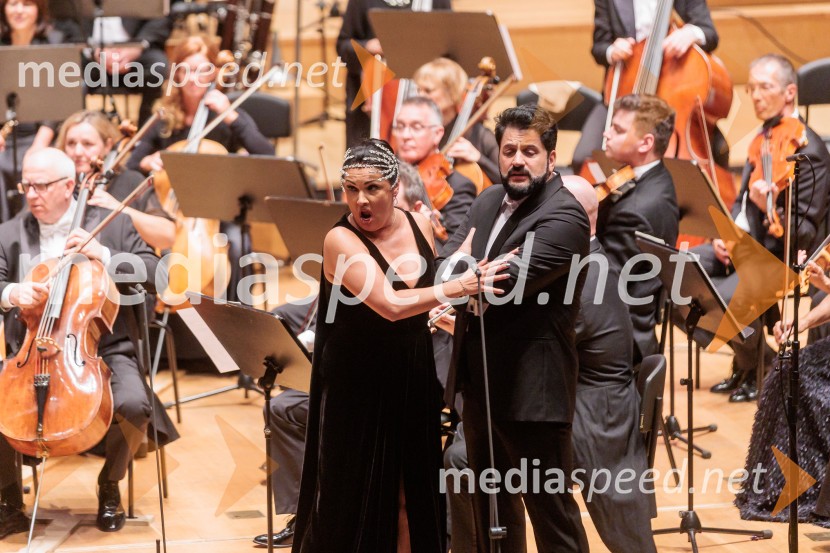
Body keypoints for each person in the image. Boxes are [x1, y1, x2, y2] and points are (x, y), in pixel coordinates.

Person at [291, 139, 507, 553]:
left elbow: (419, 295)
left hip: (411, 373)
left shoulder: (419, 224)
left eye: (372, 188)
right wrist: (456, 286)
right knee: (352, 496)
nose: (360, 200)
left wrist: (458, 262)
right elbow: (390, 305)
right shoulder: (340, 240)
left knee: (410, 493)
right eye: (350, 189)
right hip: (357, 383)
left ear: (394, 188)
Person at [439, 176, 656, 553]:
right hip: (568, 390)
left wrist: (462, 318)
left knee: (463, 457)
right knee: (472, 442)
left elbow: (535, 343)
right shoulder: (575, 258)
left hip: (591, 412)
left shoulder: (583, 273)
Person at [440, 104, 591, 552]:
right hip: (481, 380)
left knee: (551, 516)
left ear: (550, 155)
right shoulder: (488, 200)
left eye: (529, 150)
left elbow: (504, 283)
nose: (517, 160)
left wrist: (468, 274)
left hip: (533, 392)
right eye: (509, 150)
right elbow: (445, 262)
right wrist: (465, 273)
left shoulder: (565, 217)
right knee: (493, 512)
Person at [0, 148, 166, 533]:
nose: (31, 194)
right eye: (26, 185)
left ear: (69, 186)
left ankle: (109, 484)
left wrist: (105, 255)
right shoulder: (9, 232)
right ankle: (9, 501)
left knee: (135, 406)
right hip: (31, 349)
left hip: (101, 347)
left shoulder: (111, 224)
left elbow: (158, 274)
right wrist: (11, 294)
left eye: (41, 186)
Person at [703, 54, 830, 402]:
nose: (756, 95)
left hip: (786, 255)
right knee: (686, 271)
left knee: (723, 300)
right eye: (752, 88)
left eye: (765, 87)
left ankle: (763, 366)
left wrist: (767, 207)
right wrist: (725, 233)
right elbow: (741, 200)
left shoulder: (809, 151)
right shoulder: (762, 139)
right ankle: (747, 363)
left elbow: (802, 233)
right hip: (751, 245)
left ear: (789, 92)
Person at [572, 0, 719, 170]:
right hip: (625, 90)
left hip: (677, 91)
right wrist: (612, 50)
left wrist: (691, 33)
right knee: (583, 158)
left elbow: (710, 34)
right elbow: (599, 47)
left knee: (718, 150)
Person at [597, 93, 679, 364]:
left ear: (646, 143)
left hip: (621, 342)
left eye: (618, 130)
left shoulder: (635, 211)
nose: (606, 133)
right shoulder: (657, 178)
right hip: (635, 325)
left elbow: (606, 287)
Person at [335, 0, 451, 148]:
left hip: (421, 95)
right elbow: (343, 45)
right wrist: (368, 46)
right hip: (374, 106)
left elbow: (448, 42)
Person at [55, 109, 175, 250]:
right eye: (71, 143)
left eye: (87, 144)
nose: (78, 152)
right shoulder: (56, 183)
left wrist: (118, 208)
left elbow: (167, 236)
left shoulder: (130, 180)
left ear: (108, 146)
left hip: (121, 267)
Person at [0, 0, 76, 220]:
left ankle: (30, 230)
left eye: (27, 4)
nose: (19, 10)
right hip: (6, 136)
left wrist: (39, 144)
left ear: (39, 9)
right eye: (13, 3)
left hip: (41, 134)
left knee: (38, 167)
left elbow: (61, 97)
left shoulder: (56, 42)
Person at [72, 6, 173, 126]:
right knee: (66, 69)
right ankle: (76, 132)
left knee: (158, 67)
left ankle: (145, 135)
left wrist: (136, 47)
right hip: (90, 54)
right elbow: (65, 20)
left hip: (135, 52)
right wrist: (91, 49)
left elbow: (161, 16)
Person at [392, 96, 477, 237]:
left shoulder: (457, 187)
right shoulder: (387, 177)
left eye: (416, 127)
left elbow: (454, 249)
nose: (405, 135)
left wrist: (423, 230)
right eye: (400, 127)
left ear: (437, 134)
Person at [412, 57, 500, 184]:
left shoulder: (481, 136)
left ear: (451, 93)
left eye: (428, 90)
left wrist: (479, 158)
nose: (420, 96)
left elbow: (509, 183)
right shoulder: (418, 133)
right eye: (418, 90)